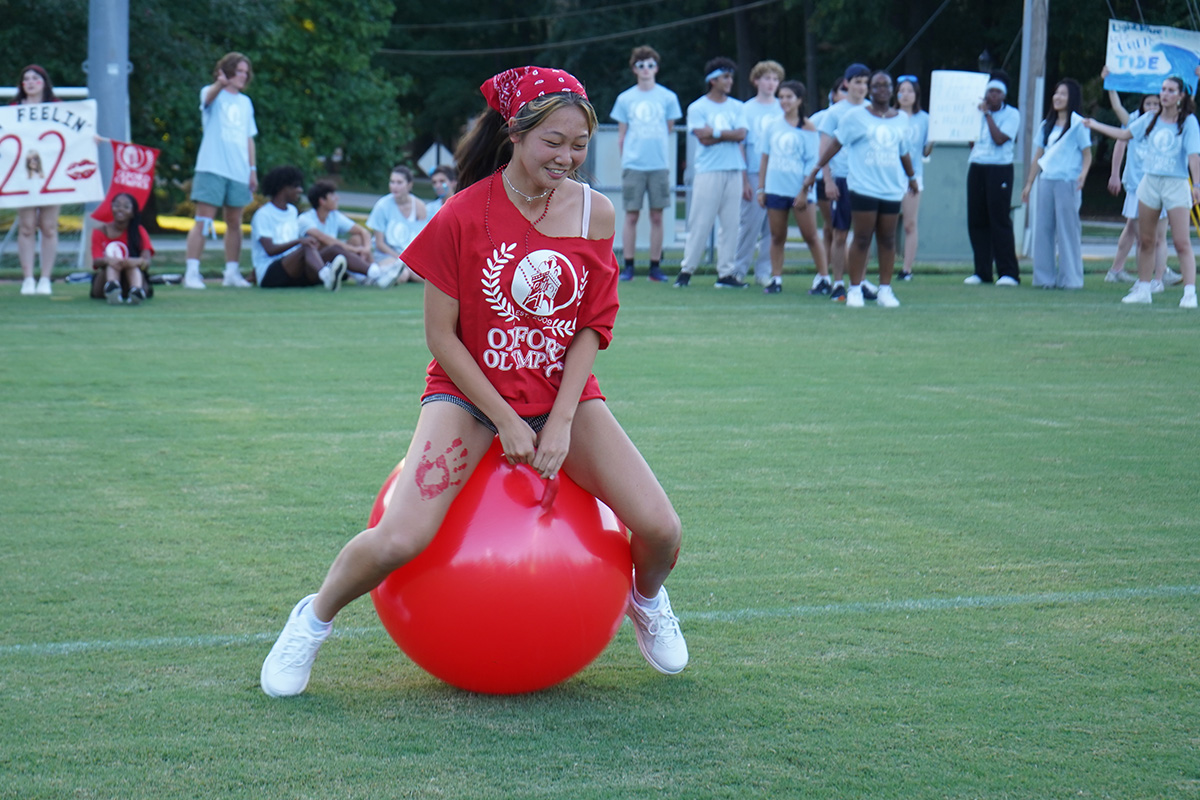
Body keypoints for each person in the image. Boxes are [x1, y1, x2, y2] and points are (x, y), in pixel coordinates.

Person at [260, 65, 688, 697]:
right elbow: (441, 338)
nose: (567, 157)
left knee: (661, 530)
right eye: (553, 142)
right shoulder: (461, 215)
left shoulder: (594, 212)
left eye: (579, 144)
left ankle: (646, 603)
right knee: (400, 538)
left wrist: (562, 420)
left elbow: (593, 324)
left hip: (559, 393)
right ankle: (312, 619)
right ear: (515, 134)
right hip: (468, 395)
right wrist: (509, 422)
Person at [803, 70, 917, 308]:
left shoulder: (900, 119)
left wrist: (912, 177)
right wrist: (817, 170)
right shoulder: (855, 116)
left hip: (891, 187)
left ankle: (885, 289)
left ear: (892, 90)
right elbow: (835, 143)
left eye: (886, 86)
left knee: (887, 239)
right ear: (871, 90)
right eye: (876, 86)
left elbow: (903, 151)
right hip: (863, 186)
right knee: (862, 237)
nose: (881, 90)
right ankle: (854, 288)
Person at [1085, 76, 1199, 308]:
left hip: (1175, 184)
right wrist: (1094, 125)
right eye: (1163, 89)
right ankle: (1144, 288)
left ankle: (1189, 293)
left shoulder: (1188, 122)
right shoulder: (1149, 119)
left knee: (1181, 242)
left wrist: (1196, 185)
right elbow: (1124, 135)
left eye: (1170, 90)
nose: (1164, 94)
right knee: (1146, 240)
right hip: (1149, 183)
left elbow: (1193, 156)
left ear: (1180, 96)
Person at [183, 53, 258, 290]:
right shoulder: (212, 93)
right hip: (212, 167)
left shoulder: (245, 103)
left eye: (246, 72)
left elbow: (249, 139)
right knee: (204, 220)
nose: (243, 76)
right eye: (239, 71)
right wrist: (220, 83)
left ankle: (232, 272)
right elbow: (207, 99)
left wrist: (252, 170)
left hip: (238, 170)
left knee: (234, 222)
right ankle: (192, 272)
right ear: (226, 71)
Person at [610, 45, 682, 282]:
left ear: (657, 68)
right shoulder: (625, 98)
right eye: (641, 65)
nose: (646, 69)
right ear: (634, 69)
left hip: (659, 165)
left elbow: (668, 128)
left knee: (657, 217)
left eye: (650, 65)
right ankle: (628, 266)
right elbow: (622, 135)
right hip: (634, 165)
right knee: (631, 216)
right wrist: (628, 160)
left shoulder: (668, 97)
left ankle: (655, 267)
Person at [674, 57, 748, 288]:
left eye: (730, 77)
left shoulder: (738, 106)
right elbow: (702, 139)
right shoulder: (698, 107)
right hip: (709, 171)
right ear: (712, 80)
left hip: (734, 169)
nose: (730, 81)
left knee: (731, 224)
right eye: (725, 77)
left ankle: (726, 273)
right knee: (701, 221)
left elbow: (741, 135)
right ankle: (687, 270)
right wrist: (725, 133)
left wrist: (714, 131)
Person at [1101, 71, 1172, 288]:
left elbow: (1185, 105)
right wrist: (1110, 83)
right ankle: (1145, 276)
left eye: (1155, 103)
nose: (1151, 107)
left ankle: (1158, 278)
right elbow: (1118, 110)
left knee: (1158, 236)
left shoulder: (1166, 125)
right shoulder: (1135, 122)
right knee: (1141, 236)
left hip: (1160, 186)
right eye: (1148, 103)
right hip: (1137, 188)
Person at [1021, 78, 1092, 290]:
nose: (1057, 97)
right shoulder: (1046, 125)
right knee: (1043, 229)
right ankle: (1044, 278)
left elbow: (1087, 155)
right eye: (1056, 93)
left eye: (1063, 94)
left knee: (1067, 230)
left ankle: (1071, 279)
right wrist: (1029, 183)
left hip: (1068, 181)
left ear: (1072, 99)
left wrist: (1083, 175)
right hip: (1047, 180)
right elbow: (1038, 156)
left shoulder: (1079, 125)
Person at [757, 80, 827, 295]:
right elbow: (765, 158)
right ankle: (776, 278)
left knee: (810, 235)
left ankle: (824, 278)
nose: (784, 101)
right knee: (777, 236)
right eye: (782, 97)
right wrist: (762, 188)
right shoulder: (772, 125)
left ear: (799, 100)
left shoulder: (808, 127)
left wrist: (804, 191)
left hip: (800, 190)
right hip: (776, 188)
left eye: (789, 97)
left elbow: (812, 162)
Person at [817, 64, 875, 302]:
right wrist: (828, 180)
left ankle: (859, 281)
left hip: (867, 181)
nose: (862, 87)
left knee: (865, 234)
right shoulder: (835, 113)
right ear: (847, 84)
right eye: (857, 82)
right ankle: (838, 283)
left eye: (865, 83)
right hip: (842, 179)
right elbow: (824, 148)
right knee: (840, 233)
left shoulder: (874, 111)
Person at [965, 71, 1022, 286]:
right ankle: (982, 271)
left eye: (997, 92)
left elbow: (999, 139)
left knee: (999, 220)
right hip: (977, 166)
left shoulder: (1012, 114)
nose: (993, 96)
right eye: (990, 92)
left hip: (999, 169)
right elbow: (972, 142)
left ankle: (1008, 272)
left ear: (1004, 95)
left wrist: (988, 115)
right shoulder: (977, 113)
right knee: (977, 220)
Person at [250, 166, 348, 291]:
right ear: (283, 188)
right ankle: (327, 276)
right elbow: (270, 250)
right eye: (296, 186)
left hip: (291, 267)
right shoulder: (263, 215)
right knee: (305, 245)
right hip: (269, 274)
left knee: (333, 249)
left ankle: (373, 273)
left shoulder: (292, 211)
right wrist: (299, 242)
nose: (300, 190)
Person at [733, 60, 785, 287]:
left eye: (775, 79)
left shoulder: (783, 107)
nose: (771, 83)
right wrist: (744, 179)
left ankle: (764, 271)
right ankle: (738, 269)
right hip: (754, 172)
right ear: (756, 81)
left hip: (778, 174)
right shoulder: (746, 109)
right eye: (767, 78)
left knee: (773, 227)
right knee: (750, 224)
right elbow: (741, 145)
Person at [298, 181, 403, 287]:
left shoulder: (334, 216)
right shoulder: (305, 219)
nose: (337, 198)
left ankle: (369, 275)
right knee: (335, 249)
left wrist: (366, 249)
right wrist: (355, 250)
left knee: (357, 239)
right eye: (332, 196)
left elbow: (363, 231)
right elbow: (326, 240)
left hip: (334, 261)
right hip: (313, 266)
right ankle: (376, 273)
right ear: (322, 201)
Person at [13, 65, 59, 296]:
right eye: (26, 79)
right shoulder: (12, 111)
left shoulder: (58, 108)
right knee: (27, 225)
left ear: (43, 82)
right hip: (22, 176)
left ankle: (46, 279)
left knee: (49, 227)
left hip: (52, 175)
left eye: (35, 78)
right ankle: (28, 278)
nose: (30, 82)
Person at [807, 80, 848, 295]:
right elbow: (818, 147)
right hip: (827, 178)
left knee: (841, 229)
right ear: (833, 93)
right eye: (843, 89)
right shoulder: (822, 117)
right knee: (831, 227)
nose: (847, 93)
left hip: (850, 178)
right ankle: (824, 275)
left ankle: (838, 275)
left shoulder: (862, 112)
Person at [895, 75, 932, 281]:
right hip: (889, 176)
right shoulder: (890, 116)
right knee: (887, 224)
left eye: (910, 90)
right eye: (902, 90)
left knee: (910, 224)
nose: (906, 94)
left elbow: (926, 152)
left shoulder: (924, 119)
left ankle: (907, 269)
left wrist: (934, 138)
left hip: (913, 177)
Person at [366, 164, 427, 284]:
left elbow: (422, 240)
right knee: (402, 274)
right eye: (392, 182)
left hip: (411, 257)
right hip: (387, 255)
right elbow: (379, 244)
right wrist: (400, 259)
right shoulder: (382, 206)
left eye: (399, 182)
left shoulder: (420, 206)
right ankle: (376, 276)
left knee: (424, 275)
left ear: (409, 185)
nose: (394, 186)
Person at [91, 193, 153, 306]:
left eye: (126, 207)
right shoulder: (100, 231)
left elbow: (147, 261)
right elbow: (96, 260)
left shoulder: (139, 231)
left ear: (133, 212)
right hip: (105, 278)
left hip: (130, 276)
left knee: (131, 265)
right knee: (112, 264)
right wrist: (108, 260)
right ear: (111, 207)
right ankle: (112, 288)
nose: (120, 209)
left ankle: (136, 291)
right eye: (117, 205)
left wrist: (137, 261)